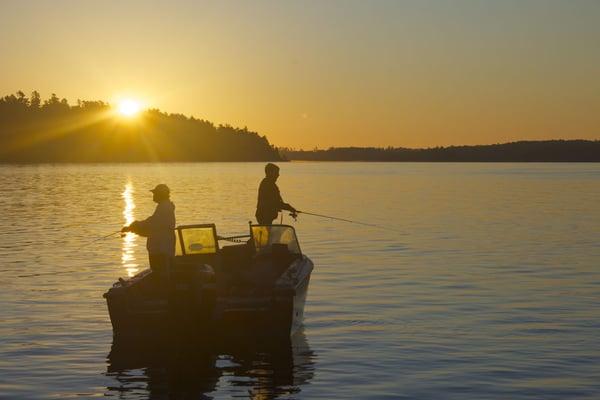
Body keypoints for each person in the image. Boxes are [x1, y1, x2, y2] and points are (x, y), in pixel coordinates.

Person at [121, 184, 176, 281]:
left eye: (155, 193)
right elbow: (152, 229)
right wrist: (133, 229)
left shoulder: (164, 207)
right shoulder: (163, 207)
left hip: (161, 251)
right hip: (160, 250)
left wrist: (135, 225)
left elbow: (152, 223)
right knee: (160, 275)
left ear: (161, 194)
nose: (153, 196)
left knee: (161, 277)